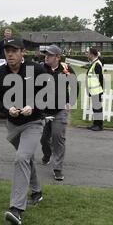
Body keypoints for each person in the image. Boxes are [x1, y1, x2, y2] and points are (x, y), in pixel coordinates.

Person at [0, 37, 46, 225]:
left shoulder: (36, 70)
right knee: (26, 158)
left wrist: (34, 106)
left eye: (14, 50)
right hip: (12, 125)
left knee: (21, 158)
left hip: (34, 122)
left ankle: (16, 210)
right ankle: (37, 191)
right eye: (7, 51)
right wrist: (7, 110)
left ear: (23, 52)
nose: (10, 54)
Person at [40, 45, 77, 181]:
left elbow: (74, 85)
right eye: (46, 54)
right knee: (44, 139)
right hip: (43, 111)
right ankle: (47, 154)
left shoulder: (66, 69)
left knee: (58, 138)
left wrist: (71, 102)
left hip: (60, 110)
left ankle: (57, 168)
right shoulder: (41, 68)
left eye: (49, 55)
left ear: (57, 57)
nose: (46, 57)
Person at [86, 47, 104, 131]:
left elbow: (100, 78)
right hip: (94, 90)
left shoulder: (97, 64)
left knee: (97, 108)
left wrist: (100, 90)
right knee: (95, 108)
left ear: (92, 54)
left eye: (88, 53)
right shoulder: (94, 63)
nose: (87, 54)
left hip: (96, 90)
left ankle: (99, 126)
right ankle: (95, 124)